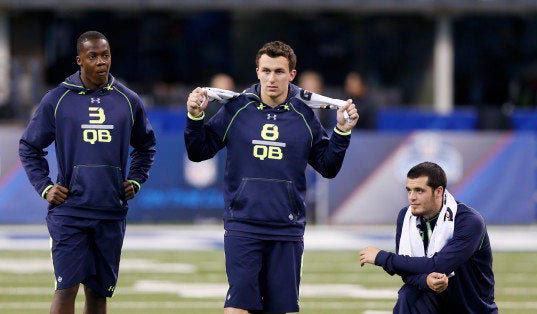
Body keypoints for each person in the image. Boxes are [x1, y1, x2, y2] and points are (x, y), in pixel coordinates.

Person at [185, 40, 359, 313]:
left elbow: (328, 167)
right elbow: (198, 151)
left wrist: (341, 132)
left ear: (292, 75)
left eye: (279, 71)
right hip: (243, 225)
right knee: (236, 308)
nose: (271, 78)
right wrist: (195, 117)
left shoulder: (305, 116)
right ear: (257, 72)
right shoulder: (237, 109)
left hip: (286, 228)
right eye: (266, 71)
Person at [18, 30, 156, 314]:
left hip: (110, 211)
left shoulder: (128, 100)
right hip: (70, 212)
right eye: (93, 56)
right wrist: (45, 187)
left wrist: (136, 180)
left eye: (105, 55)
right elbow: (29, 147)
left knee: (97, 294)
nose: (101, 62)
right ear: (79, 60)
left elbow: (146, 146)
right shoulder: (57, 99)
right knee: (65, 289)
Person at [359, 161, 497, 314]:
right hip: (435, 304)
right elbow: (406, 271)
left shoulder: (468, 221)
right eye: (409, 190)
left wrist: (382, 257)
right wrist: (425, 281)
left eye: (419, 191)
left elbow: (438, 266)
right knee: (408, 295)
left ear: (438, 191)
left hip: (472, 309)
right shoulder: (405, 217)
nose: (412, 197)